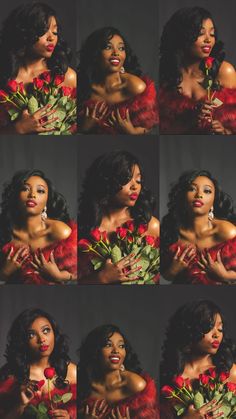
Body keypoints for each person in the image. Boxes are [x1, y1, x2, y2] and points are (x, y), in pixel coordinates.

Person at [78, 151, 159, 284]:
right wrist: (102, 278)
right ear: (107, 182)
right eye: (127, 179)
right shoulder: (84, 225)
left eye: (138, 180)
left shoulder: (150, 225)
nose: (135, 186)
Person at [0, 2, 76, 134]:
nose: (52, 38)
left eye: (55, 31)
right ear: (24, 33)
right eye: (43, 31)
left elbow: (73, 127)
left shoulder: (67, 76)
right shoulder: (4, 74)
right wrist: (18, 128)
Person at [159, 7, 236, 134]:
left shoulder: (225, 72)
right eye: (201, 33)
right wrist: (191, 119)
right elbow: (161, 129)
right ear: (182, 35)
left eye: (212, 34)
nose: (208, 40)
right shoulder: (166, 74)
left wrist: (225, 132)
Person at [160, 300, 236, 418]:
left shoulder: (229, 371)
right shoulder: (170, 373)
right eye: (209, 327)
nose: (217, 334)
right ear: (190, 331)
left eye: (220, 329)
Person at [0, 169, 77, 284]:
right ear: (15, 196)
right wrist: (4, 273)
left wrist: (59, 276)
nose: (32, 195)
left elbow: (79, 273)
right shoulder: (4, 230)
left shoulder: (60, 231)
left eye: (40, 191)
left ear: (47, 200)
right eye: (25, 189)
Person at [78, 27, 158, 134]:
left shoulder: (135, 86)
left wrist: (132, 132)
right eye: (108, 47)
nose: (116, 53)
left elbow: (148, 126)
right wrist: (83, 128)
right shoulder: (83, 87)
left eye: (121, 48)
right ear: (95, 54)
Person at [161, 170, 236, 284]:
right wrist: (173, 270)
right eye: (192, 189)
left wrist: (224, 275)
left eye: (207, 191)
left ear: (213, 201)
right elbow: (166, 275)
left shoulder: (227, 231)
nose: (199, 195)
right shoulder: (171, 231)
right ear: (182, 197)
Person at [0, 308, 77, 418]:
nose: (42, 339)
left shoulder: (72, 372)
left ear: (54, 333)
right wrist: (21, 405)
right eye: (31, 335)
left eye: (46, 331)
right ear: (22, 341)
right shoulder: (10, 376)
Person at [78, 324, 159, 418]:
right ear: (95, 351)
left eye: (121, 346)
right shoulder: (83, 386)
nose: (116, 350)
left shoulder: (136, 385)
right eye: (108, 345)